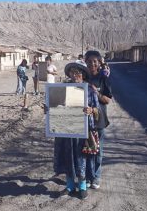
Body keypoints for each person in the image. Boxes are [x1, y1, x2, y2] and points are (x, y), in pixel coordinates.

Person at [53, 62, 99, 200]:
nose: (74, 75)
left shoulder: (90, 90)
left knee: (81, 158)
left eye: (77, 72)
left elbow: (98, 111)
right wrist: (50, 109)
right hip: (66, 129)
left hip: (82, 130)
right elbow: (57, 105)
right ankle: (70, 186)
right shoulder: (63, 88)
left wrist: (91, 110)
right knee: (68, 157)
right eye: (72, 72)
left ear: (83, 74)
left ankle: (83, 187)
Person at [84, 50, 113, 189]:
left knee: (98, 151)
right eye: (89, 61)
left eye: (95, 61)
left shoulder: (103, 79)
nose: (92, 64)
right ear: (85, 62)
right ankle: (89, 177)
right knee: (88, 149)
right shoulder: (82, 78)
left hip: (99, 120)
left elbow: (107, 100)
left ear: (99, 62)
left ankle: (96, 177)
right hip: (84, 121)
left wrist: (97, 92)